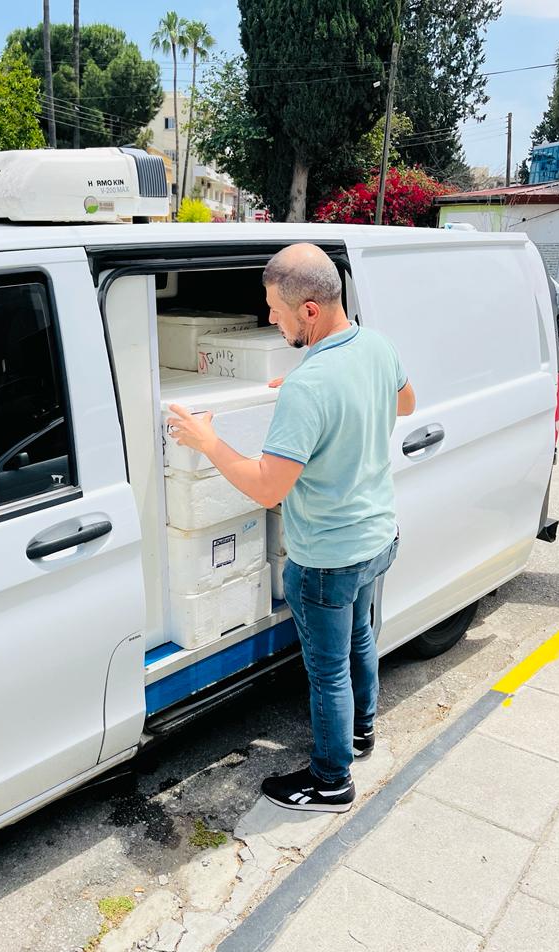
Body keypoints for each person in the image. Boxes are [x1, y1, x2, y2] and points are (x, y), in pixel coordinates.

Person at [167, 243, 415, 813]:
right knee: (360, 639)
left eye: (276, 311)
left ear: (309, 310)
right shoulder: (375, 345)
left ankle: (331, 783)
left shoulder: (310, 386)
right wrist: (317, 396)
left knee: (327, 673)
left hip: (327, 558)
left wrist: (208, 442)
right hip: (378, 537)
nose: (270, 319)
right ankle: (361, 735)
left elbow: (266, 488)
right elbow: (404, 403)